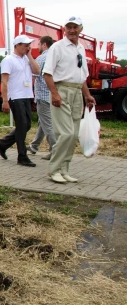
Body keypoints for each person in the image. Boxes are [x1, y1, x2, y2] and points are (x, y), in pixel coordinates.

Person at [43, 16, 96, 184]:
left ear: (81, 29)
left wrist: (87, 95)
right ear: (64, 29)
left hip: (76, 91)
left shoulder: (81, 48)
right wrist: (55, 94)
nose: (72, 30)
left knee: (73, 134)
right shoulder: (57, 47)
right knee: (65, 133)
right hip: (62, 90)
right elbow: (47, 73)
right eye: (69, 27)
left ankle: (64, 169)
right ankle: (54, 170)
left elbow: (82, 76)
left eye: (75, 27)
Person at [0, 34, 41, 167]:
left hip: (26, 95)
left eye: (29, 45)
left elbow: (37, 71)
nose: (28, 47)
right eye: (25, 45)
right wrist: (5, 100)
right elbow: (4, 80)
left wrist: (30, 56)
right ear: (17, 45)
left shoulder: (26, 59)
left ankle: (2, 144)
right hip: (15, 96)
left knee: (26, 125)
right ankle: (22, 156)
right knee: (21, 126)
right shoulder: (8, 60)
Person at [27, 36, 56, 161]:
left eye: (39, 44)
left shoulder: (41, 58)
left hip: (43, 95)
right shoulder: (55, 56)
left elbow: (34, 72)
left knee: (47, 124)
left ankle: (55, 150)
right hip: (53, 94)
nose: (37, 47)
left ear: (44, 45)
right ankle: (34, 146)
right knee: (43, 122)